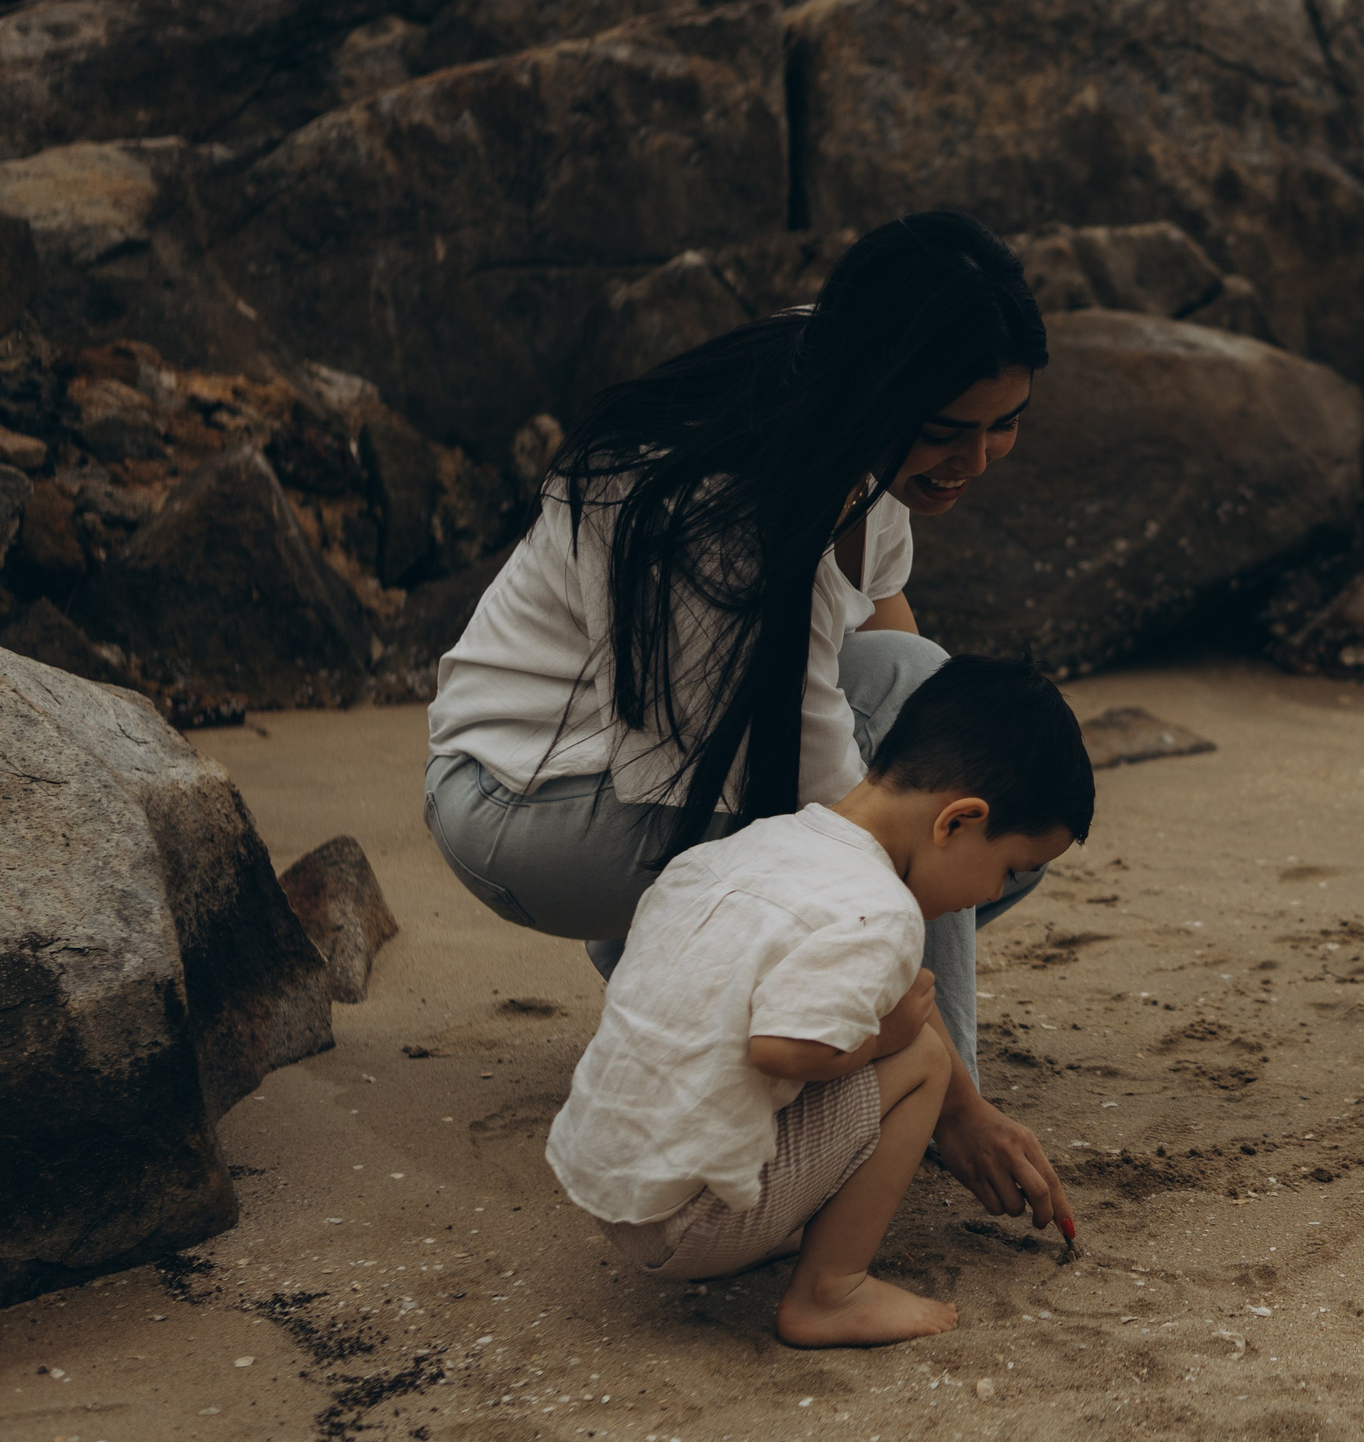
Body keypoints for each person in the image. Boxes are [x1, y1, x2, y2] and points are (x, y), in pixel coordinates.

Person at [424, 211, 1076, 1230]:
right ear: (882, 393)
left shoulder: (843, 382)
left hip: (650, 777)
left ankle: (693, 977)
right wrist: (957, 1105)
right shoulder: (716, 520)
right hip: (524, 806)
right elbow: (850, 841)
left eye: (1005, 422)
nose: (979, 458)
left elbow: (892, 647)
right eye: (948, 430)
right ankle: (766, 1013)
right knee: (928, 826)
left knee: (975, 788)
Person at [546, 656, 1095, 1345]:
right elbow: (783, 1047)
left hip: (611, 1183)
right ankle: (830, 1290)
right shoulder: (881, 911)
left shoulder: (759, 847)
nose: (993, 893)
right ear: (957, 820)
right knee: (922, 1053)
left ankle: (784, 1225)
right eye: (1008, 868)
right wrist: (886, 1036)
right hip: (688, 1222)